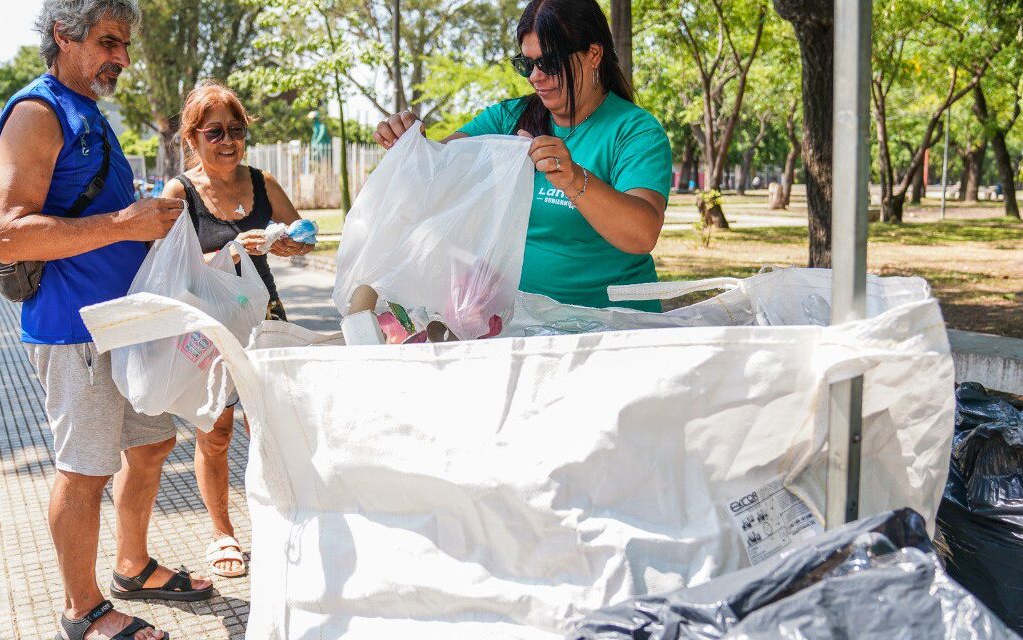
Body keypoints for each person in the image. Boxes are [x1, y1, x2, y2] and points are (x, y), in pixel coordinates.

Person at [0, 2, 212, 639]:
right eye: (110, 42)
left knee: (152, 445)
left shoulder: (88, 111)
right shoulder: (38, 113)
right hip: (73, 330)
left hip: (126, 324)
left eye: (125, 45)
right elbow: (7, 235)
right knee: (85, 469)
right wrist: (126, 224)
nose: (122, 58)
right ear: (64, 35)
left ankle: (132, 565)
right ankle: (81, 611)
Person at [373, 0, 671, 312]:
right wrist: (410, 143)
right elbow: (440, 166)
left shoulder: (635, 131)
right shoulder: (509, 119)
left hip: (615, 323)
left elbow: (642, 233)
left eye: (550, 63)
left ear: (593, 55)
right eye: (527, 65)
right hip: (525, 323)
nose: (535, 77)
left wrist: (574, 179)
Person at [160, 81, 312, 579]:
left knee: (272, 423)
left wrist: (290, 245)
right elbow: (166, 272)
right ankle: (223, 532)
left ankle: (280, 518)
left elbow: (301, 234)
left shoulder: (263, 180)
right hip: (209, 327)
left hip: (265, 320)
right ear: (192, 138)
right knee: (217, 432)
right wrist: (226, 254)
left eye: (237, 130)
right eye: (215, 131)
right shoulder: (179, 192)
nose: (228, 140)